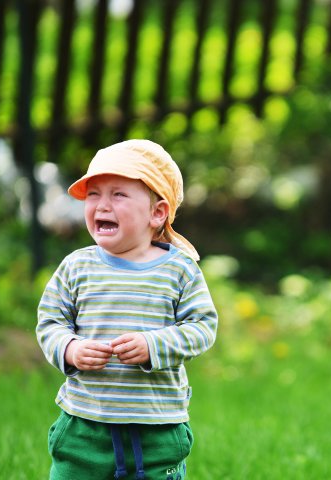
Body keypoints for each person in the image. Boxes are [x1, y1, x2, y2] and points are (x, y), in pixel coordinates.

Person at [37, 139, 218, 480]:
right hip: (84, 425)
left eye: (118, 194)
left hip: (156, 429)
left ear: (157, 212)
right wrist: (70, 348)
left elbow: (202, 327)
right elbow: (50, 321)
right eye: (94, 194)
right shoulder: (77, 266)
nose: (102, 205)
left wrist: (154, 345)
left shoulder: (179, 270)